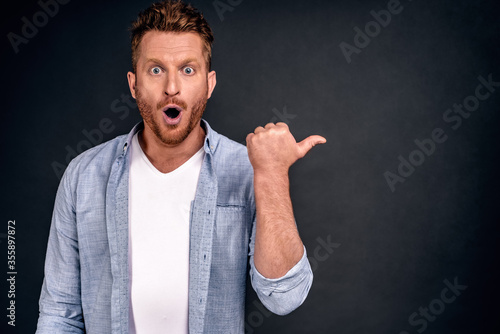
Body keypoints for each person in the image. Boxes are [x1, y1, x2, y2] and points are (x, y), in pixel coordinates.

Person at [36, 1, 326, 333]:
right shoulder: (84, 176)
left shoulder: (247, 171)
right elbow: (60, 312)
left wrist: (273, 174)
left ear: (209, 83)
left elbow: (284, 297)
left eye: (188, 70)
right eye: (156, 69)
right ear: (134, 84)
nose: (171, 87)